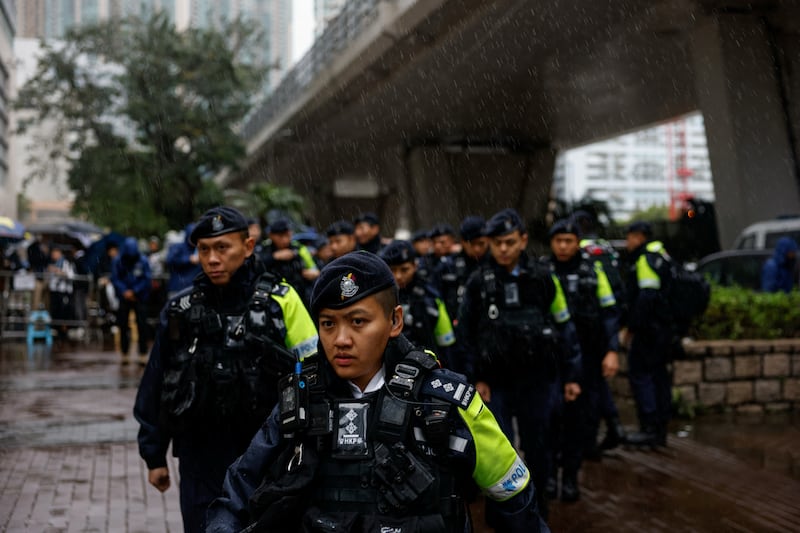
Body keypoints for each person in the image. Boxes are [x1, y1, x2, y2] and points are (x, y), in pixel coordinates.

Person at [206, 251, 550, 532]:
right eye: (328, 323)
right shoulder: (300, 399)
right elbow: (240, 485)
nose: (341, 339)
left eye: (358, 322)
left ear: (395, 321)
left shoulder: (443, 399)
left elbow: (513, 493)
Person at [133, 206, 319, 533]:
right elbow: (158, 381)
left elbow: (315, 373)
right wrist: (154, 454)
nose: (212, 259)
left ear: (247, 247)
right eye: (204, 250)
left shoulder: (283, 300)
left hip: (267, 453)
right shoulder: (181, 309)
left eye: (222, 248)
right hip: (199, 457)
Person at [456, 208, 582, 519]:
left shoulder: (543, 279)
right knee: (500, 449)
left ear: (523, 241)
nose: (503, 249)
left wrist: (571, 375)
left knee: (538, 445)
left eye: (509, 242)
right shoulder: (478, 282)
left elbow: (564, 326)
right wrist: (475, 378)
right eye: (497, 243)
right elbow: (466, 336)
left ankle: (536, 508)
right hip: (495, 382)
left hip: (537, 379)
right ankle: (503, 512)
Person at [543, 219, 621, 502]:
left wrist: (612, 350)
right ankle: (549, 476)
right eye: (558, 241)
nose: (563, 246)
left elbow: (610, 313)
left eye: (569, 241)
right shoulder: (542, 271)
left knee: (579, 421)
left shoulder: (592, 272)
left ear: (577, 242)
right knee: (548, 420)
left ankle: (571, 478)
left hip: (586, 359)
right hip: (550, 358)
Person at [570, 210, 627, 452]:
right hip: (611, 318)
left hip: (591, 323)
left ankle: (591, 438)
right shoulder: (606, 248)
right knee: (598, 381)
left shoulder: (580, 251)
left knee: (590, 384)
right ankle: (613, 426)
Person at [622, 221, 674, 448]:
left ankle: (649, 428)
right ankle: (660, 428)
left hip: (649, 331)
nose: (627, 243)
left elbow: (647, 296)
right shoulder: (662, 255)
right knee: (660, 377)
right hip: (664, 329)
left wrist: (631, 327)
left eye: (630, 237)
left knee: (641, 375)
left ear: (639, 237)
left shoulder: (645, 259)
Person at [379, 239, 456, 360]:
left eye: (404, 269)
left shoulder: (430, 296)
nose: (398, 276)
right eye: (392, 270)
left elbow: (446, 342)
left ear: (415, 266)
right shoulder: (379, 297)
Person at [433, 215, 489, 324]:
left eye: (481, 243)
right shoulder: (448, 266)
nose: (477, 248)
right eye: (472, 244)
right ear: (463, 242)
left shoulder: (494, 264)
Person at [260, 218, 320, 306]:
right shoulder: (264, 249)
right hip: (273, 294)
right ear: (271, 236)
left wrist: (312, 273)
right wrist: (274, 257)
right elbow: (257, 266)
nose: (285, 240)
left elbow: (314, 269)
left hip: (300, 293)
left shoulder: (299, 248)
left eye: (287, 235)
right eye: (280, 236)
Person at [111, 237, 152, 364]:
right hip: (124, 297)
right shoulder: (118, 260)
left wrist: (135, 291)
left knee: (142, 325)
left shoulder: (143, 260)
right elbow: (115, 277)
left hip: (139, 297)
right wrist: (125, 291)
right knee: (123, 324)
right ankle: (124, 353)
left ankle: (143, 353)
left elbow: (147, 278)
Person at [165, 223, 202, 299]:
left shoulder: (200, 248)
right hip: (177, 288)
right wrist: (188, 259)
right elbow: (169, 260)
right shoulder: (178, 247)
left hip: (195, 290)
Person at [47, 245, 75, 342]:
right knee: (55, 310)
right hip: (54, 290)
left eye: (54, 252)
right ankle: (57, 330)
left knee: (64, 311)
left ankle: (64, 331)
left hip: (64, 291)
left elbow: (71, 275)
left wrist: (59, 272)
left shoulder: (66, 262)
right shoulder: (52, 263)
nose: (53, 255)